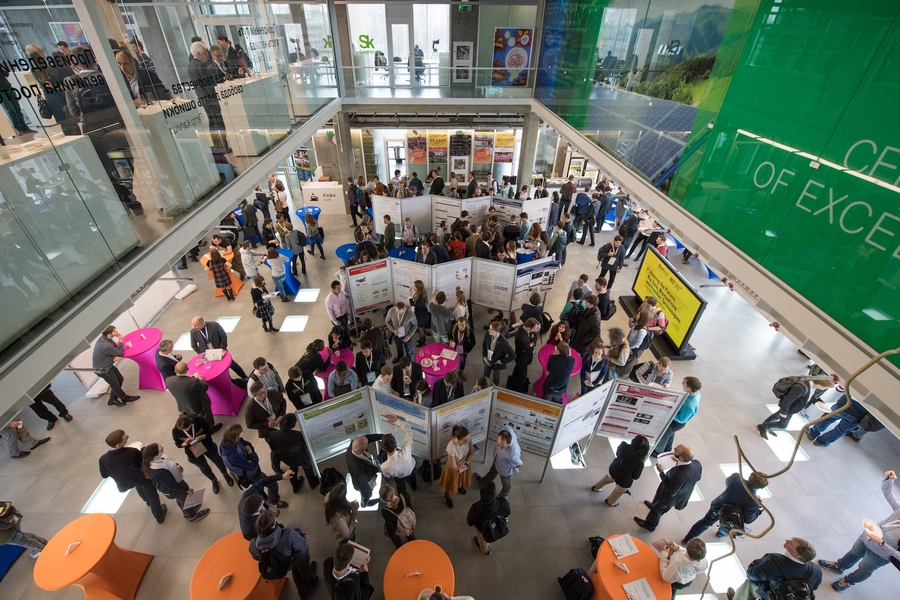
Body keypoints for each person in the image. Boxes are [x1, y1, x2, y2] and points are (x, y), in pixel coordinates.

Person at [817, 470, 900, 592]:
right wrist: (890, 480)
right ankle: (840, 565)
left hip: (882, 552)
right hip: (868, 536)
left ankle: (848, 581)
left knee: (864, 569)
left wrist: (882, 544)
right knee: (854, 553)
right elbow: (887, 492)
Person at [99, 430, 166, 523]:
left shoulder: (103, 459)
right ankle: (159, 515)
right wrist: (143, 450)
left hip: (126, 481)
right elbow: (144, 462)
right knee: (152, 495)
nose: (128, 437)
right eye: (125, 438)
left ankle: (147, 501)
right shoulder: (132, 452)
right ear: (118, 444)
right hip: (142, 478)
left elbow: (104, 475)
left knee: (139, 488)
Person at [249, 510, 319, 598]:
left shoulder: (253, 544)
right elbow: (302, 548)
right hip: (292, 561)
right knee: (301, 570)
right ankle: (306, 585)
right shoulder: (288, 535)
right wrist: (294, 561)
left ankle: (303, 589)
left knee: (296, 569)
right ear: (273, 525)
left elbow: (256, 557)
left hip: (278, 567)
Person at [683, 471, 768, 543]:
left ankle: (687, 540)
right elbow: (749, 519)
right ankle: (721, 533)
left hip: (718, 505)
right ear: (761, 488)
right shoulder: (754, 501)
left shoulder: (736, 478)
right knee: (728, 526)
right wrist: (759, 510)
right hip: (731, 517)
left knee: (705, 522)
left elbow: (727, 481)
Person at [727, 538, 822, 600]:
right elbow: (814, 587)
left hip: (769, 594)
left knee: (751, 583)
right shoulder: (817, 571)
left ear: (797, 555)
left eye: (791, 543)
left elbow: (752, 573)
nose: (787, 540)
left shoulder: (774, 562)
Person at [635, 445, 702, 532]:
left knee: (657, 510)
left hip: (668, 498)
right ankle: (654, 506)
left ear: (681, 457)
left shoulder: (679, 476)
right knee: (657, 503)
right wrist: (678, 462)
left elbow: (670, 491)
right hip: (681, 493)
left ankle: (650, 525)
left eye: (676, 450)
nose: (674, 449)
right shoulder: (697, 463)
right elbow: (698, 477)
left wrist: (661, 472)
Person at [220, 424, 287, 508]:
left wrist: (249, 453)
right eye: (241, 432)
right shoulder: (232, 456)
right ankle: (274, 501)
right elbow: (252, 465)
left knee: (259, 487)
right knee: (272, 484)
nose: (242, 433)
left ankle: (265, 499)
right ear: (235, 436)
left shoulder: (229, 441)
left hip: (251, 471)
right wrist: (251, 453)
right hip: (251, 474)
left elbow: (247, 444)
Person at [141, 443, 210, 522]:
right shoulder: (158, 472)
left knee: (180, 499)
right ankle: (193, 516)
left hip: (175, 484)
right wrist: (187, 489)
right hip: (173, 489)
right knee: (185, 500)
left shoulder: (158, 459)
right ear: (155, 456)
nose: (163, 449)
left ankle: (185, 512)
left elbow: (168, 464)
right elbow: (172, 485)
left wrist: (176, 466)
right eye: (161, 449)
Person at [172, 413, 233, 494]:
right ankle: (213, 480)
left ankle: (225, 474)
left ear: (191, 422)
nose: (186, 431)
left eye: (187, 428)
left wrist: (201, 437)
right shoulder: (175, 430)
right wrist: (185, 443)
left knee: (217, 460)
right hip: (193, 452)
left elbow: (208, 431)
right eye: (183, 430)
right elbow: (178, 444)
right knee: (203, 467)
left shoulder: (199, 420)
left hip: (207, 445)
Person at [757, 376, 833, 439]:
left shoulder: (812, 386)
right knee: (783, 425)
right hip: (789, 408)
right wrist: (783, 411)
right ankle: (764, 426)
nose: (825, 389)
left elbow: (810, 396)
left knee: (776, 415)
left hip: (792, 407)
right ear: (820, 384)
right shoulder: (800, 388)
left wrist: (817, 401)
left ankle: (765, 426)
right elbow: (787, 400)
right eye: (825, 387)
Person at [591, 434, 649, 507]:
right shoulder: (640, 463)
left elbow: (617, 453)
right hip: (624, 480)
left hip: (614, 469)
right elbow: (635, 476)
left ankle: (596, 487)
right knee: (618, 491)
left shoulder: (623, 445)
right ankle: (610, 501)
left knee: (608, 478)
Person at [269, 414, 320, 492]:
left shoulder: (273, 434)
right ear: (293, 425)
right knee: (308, 468)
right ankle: (312, 483)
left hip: (287, 457)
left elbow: (273, 448)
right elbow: (306, 444)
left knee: (292, 469)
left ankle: (295, 486)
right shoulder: (298, 435)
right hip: (302, 457)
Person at [92, 325, 140, 407]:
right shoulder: (106, 345)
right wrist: (121, 340)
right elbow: (120, 353)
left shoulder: (107, 340)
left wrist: (114, 356)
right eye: (114, 331)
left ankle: (112, 399)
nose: (116, 332)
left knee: (120, 379)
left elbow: (116, 349)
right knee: (115, 384)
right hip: (103, 369)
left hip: (107, 365)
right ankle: (124, 397)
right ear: (109, 334)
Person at [654, 377, 702, 457]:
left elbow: (681, 419)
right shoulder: (696, 393)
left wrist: (669, 411)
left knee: (664, 434)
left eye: (684, 383)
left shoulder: (690, 405)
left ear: (689, 388)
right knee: (670, 434)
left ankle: (658, 451)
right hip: (677, 419)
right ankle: (667, 448)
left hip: (676, 422)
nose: (682, 383)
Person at [240, 470, 294, 540]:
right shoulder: (249, 530)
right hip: (267, 534)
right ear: (254, 513)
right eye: (261, 504)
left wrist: (282, 476)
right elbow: (258, 540)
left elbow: (263, 481)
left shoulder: (248, 494)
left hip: (269, 523)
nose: (263, 501)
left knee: (279, 527)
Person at [166, 362, 220, 432]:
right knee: (206, 417)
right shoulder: (193, 381)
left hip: (183, 405)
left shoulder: (168, 380)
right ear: (187, 369)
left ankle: (199, 427)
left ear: (175, 371)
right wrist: (201, 379)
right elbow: (204, 387)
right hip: (199, 405)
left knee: (194, 418)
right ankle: (210, 428)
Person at [806, 388, 870, 446]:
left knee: (827, 419)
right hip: (858, 415)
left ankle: (812, 434)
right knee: (840, 431)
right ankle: (821, 441)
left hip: (843, 403)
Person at [467, 480, 510, 556]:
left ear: (481, 495)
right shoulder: (502, 502)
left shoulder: (475, 508)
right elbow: (507, 512)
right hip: (499, 524)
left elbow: (470, 522)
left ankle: (486, 551)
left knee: (483, 541)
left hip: (482, 530)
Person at [475, 428, 521, 499]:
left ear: (508, 443)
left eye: (502, 447)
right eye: (498, 444)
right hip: (497, 461)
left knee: (507, 485)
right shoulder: (508, 429)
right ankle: (482, 482)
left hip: (504, 470)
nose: (498, 447)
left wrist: (516, 466)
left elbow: (519, 463)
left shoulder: (512, 454)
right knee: (491, 474)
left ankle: (502, 497)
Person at [380, 414, 417, 494]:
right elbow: (408, 430)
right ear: (396, 444)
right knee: (413, 480)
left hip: (399, 477)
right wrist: (396, 420)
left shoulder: (384, 467)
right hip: (411, 469)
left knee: (401, 489)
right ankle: (414, 487)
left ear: (383, 448)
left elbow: (387, 475)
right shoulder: (406, 449)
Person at [346, 431, 385, 507]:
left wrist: (382, 436)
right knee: (366, 494)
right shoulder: (358, 471)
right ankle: (365, 502)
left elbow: (367, 438)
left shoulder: (354, 444)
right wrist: (368, 494)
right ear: (363, 450)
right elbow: (364, 486)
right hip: (366, 480)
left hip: (366, 472)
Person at [439, 425, 473, 508]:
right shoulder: (451, 446)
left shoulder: (468, 438)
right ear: (458, 439)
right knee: (450, 483)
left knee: (461, 478)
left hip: (464, 464)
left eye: (468, 438)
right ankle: (448, 497)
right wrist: (465, 459)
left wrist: (465, 463)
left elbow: (472, 452)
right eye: (465, 440)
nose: (467, 441)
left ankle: (460, 486)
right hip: (453, 468)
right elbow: (454, 467)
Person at [510, 318, 540, 390]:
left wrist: (531, 343)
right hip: (521, 357)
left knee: (517, 369)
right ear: (529, 327)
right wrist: (531, 345)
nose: (535, 330)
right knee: (522, 377)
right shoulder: (521, 337)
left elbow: (535, 336)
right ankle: (517, 390)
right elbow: (528, 350)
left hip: (521, 355)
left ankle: (513, 381)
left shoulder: (523, 326)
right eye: (534, 328)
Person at [482, 321, 514, 386]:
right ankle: (483, 387)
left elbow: (513, 355)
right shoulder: (488, 334)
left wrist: (501, 361)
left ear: (497, 331)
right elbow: (484, 344)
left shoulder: (503, 342)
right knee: (485, 374)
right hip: (488, 359)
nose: (488, 330)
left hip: (496, 363)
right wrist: (485, 357)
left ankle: (494, 389)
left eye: (491, 329)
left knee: (496, 376)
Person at [450, 315, 476, 382]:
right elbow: (449, 334)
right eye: (459, 325)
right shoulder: (454, 327)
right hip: (454, 347)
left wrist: (467, 350)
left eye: (462, 325)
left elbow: (473, 342)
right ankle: (452, 371)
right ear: (457, 324)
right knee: (453, 359)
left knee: (462, 360)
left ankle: (460, 371)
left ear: (466, 324)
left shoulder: (470, 331)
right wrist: (450, 340)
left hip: (463, 349)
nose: (461, 327)